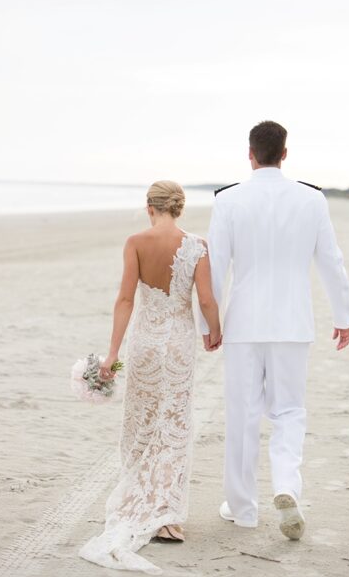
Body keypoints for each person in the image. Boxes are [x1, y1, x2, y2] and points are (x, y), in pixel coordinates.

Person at [199, 120, 349, 540]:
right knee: (289, 412)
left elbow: (215, 268)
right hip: (292, 323)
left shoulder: (229, 200)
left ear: (249, 153)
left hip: (244, 323)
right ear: (285, 154)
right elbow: (330, 259)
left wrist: (208, 324)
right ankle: (286, 485)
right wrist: (344, 315)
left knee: (243, 415)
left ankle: (243, 510)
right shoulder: (311, 198)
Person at [79, 180, 221, 575]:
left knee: (142, 423)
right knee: (173, 424)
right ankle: (167, 518)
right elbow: (206, 299)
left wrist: (112, 353)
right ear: (179, 207)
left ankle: (137, 502)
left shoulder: (135, 242)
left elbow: (126, 299)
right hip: (177, 342)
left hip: (144, 343)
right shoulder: (197, 246)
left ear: (149, 207)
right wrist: (214, 329)